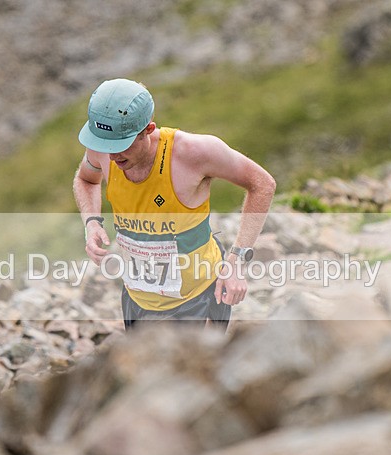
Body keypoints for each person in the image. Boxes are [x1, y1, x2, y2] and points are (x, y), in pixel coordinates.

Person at [73, 78, 276, 329]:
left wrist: (237, 261)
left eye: (121, 145)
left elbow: (262, 184)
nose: (113, 156)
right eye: (105, 145)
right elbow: (86, 180)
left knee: (195, 369)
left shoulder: (194, 153)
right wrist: (91, 223)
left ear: (148, 129)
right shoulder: (102, 150)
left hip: (198, 298)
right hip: (137, 297)